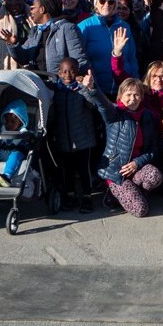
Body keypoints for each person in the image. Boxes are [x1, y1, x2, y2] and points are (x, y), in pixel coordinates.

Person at [87, 75, 163, 218]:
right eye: (128, 94)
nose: (132, 99)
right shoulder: (114, 114)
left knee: (155, 176)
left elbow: (154, 149)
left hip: (136, 169)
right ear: (120, 96)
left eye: (136, 95)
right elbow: (102, 104)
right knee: (141, 210)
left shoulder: (147, 116)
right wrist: (93, 88)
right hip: (117, 174)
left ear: (141, 98)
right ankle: (114, 191)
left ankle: (131, 193)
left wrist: (136, 163)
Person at [47, 58, 100, 213]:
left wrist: (86, 87)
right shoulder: (55, 91)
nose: (67, 74)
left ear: (78, 73)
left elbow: (92, 104)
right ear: (58, 73)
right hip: (64, 138)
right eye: (64, 71)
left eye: (71, 71)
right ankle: (70, 195)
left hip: (83, 139)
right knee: (67, 170)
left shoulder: (81, 90)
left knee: (84, 170)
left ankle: (87, 197)